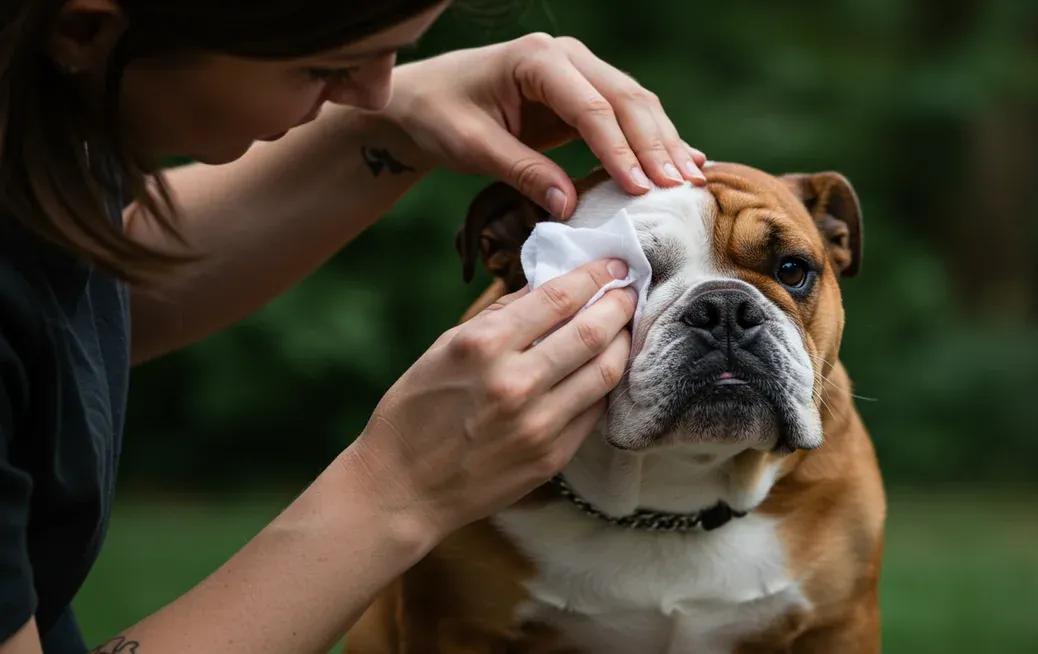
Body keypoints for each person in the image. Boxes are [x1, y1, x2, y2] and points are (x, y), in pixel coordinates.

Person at [0, 1, 709, 652]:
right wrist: (398, 488)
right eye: (324, 67)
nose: (376, 89)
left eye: (396, 54)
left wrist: (390, 128)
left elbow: (87, 292)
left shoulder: (36, 129)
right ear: (85, 30)